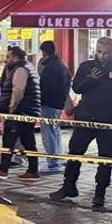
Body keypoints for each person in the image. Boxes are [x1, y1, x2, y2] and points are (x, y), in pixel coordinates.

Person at [50, 37, 112, 207]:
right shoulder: (86, 66)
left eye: (106, 53)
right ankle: (68, 185)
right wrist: (91, 79)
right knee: (75, 152)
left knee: (105, 157)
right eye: (99, 52)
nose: (102, 56)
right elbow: (77, 87)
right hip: (86, 117)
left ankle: (100, 193)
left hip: (108, 120)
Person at [0, 46, 41, 180]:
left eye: (8, 57)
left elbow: (18, 90)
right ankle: (32, 171)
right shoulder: (26, 67)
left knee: (9, 140)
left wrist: (11, 108)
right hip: (27, 111)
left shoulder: (21, 69)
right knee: (28, 141)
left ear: (15, 57)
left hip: (20, 111)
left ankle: (3, 169)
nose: (6, 60)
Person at [38, 40, 71, 173]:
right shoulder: (61, 65)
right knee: (54, 131)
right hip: (58, 103)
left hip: (49, 103)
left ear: (44, 52)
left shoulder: (50, 68)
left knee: (48, 133)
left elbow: (45, 87)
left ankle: (53, 162)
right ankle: (57, 158)